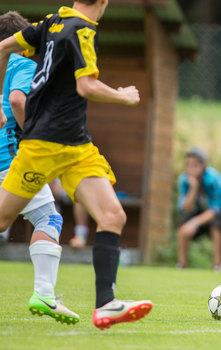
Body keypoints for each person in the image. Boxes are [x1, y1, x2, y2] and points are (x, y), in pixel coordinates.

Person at [0, 0, 152, 330]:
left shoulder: (52, 22)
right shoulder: (83, 30)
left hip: (76, 146)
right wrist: (122, 95)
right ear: (105, 2)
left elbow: (2, 48)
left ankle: (106, 304)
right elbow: (87, 85)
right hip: (43, 145)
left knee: (113, 215)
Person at [0, 11, 79, 325]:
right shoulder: (21, 63)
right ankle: (44, 293)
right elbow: (19, 101)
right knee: (48, 216)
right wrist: (33, 139)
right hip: (10, 161)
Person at [176, 147, 221, 270]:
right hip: (200, 212)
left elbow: (216, 209)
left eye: (195, 165)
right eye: (188, 165)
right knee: (183, 227)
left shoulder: (213, 178)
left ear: (203, 166)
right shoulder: (184, 180)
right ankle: (181, 265)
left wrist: (194, 223)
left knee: (215, 225)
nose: (190, 169)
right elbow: (186, 209)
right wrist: (193, 188)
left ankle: (217, 265)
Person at [49, 178, 91, 248]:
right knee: (48, 185)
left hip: (79, 187)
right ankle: (51, 232)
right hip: (58, 187)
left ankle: (80, 236)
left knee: (81, 192)